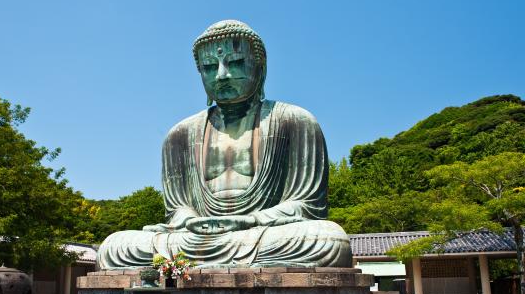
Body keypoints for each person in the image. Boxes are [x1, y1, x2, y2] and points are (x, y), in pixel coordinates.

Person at [98, 20, 352, 268]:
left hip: (261, 233)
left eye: (236, 62)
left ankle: (194, 263)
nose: (221, 75)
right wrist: (190, 221)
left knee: (328, 240)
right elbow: (178, 208)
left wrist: (249, 220)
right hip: (195, 237)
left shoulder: (294, 121)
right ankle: (196, 260)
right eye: (209, 67)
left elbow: (306, 204)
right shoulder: (180, 134)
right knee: (115, 247)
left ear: (260, 68)